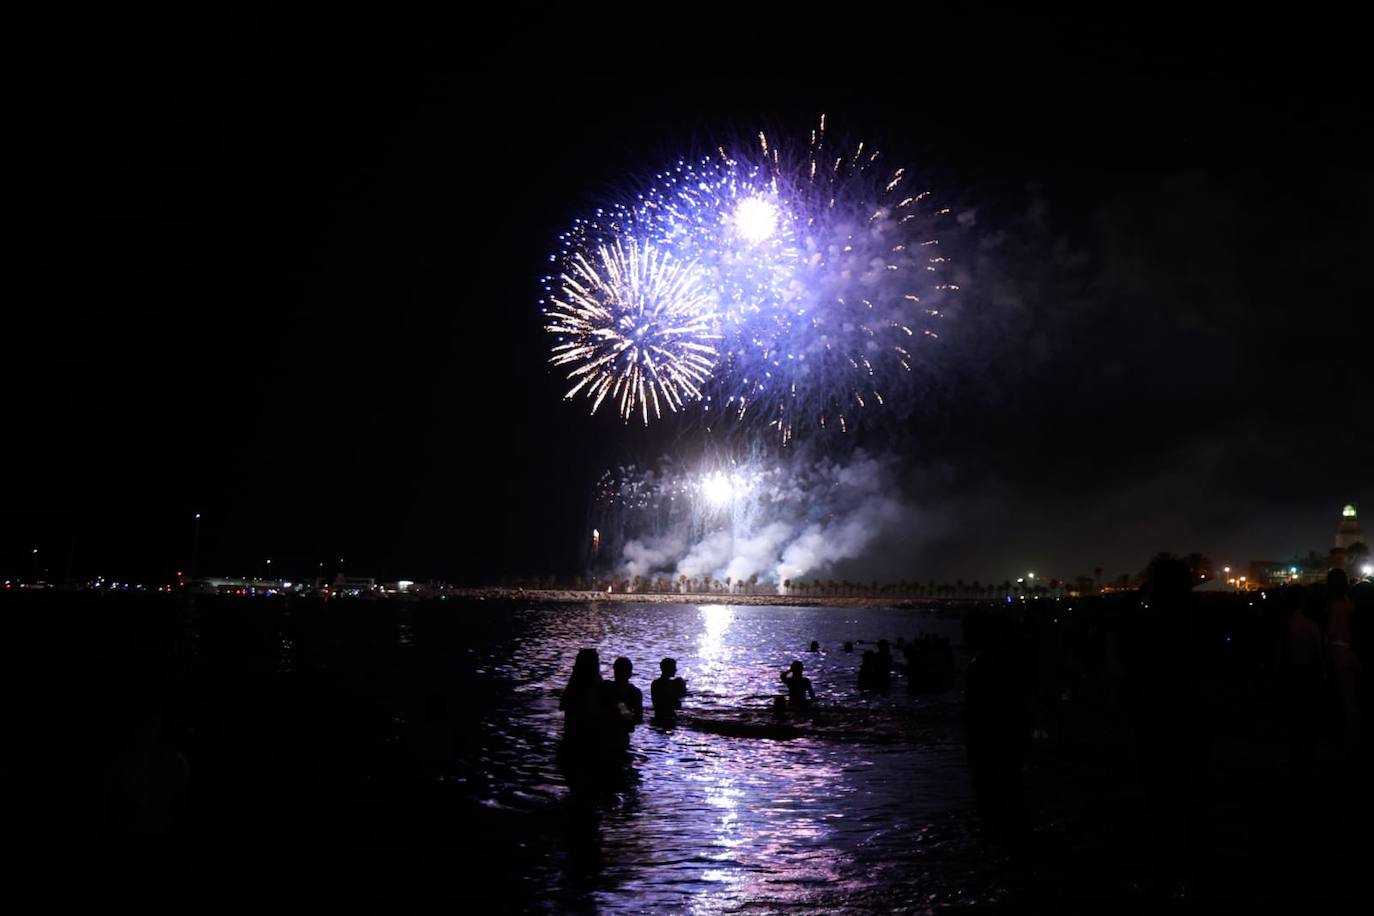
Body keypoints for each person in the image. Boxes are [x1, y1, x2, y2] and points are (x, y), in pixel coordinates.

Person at [559, 648, 606, 755]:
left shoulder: (572, 688)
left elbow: (562, 706)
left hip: (573, 735)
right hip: (590, 735)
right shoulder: (603, 686)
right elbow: (619, 704)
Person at [606, 656, 643, 750]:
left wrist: (620, 705)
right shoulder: (635, 692)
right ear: (630, 673)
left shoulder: (606, 687)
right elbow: (638, 719)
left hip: (613, 733)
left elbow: (638, 718)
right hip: (620, 734)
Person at [650, 657, 687, 723]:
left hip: (658, 715)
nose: (675, 670)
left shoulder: (655, 683)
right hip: (669, 716)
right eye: (674, 667)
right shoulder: (672, 684)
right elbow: (678, 703)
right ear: (669, 669)